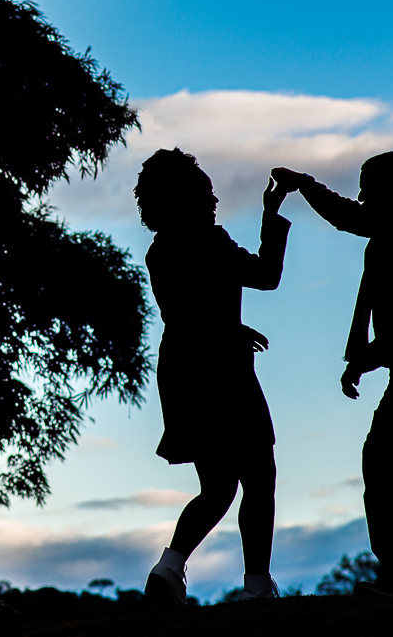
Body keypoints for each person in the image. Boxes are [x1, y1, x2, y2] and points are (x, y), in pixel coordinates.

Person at [272, 153, 393, 596]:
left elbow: (350, 217)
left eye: (368, 183)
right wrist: (362, 360)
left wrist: (304, 183)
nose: (362, 193)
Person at [136, 149, 291, 606]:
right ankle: (258, 585)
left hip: (183, 370)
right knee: (259, 475)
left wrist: (232, 325)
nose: (215, 199)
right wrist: (271, 214)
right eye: (206, 192)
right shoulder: (208, 240)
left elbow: (187, 312)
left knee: (219, 484)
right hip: (222, 370)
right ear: (189, 197)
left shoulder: (160, 249)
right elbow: (266, 275)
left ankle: (169, 566)